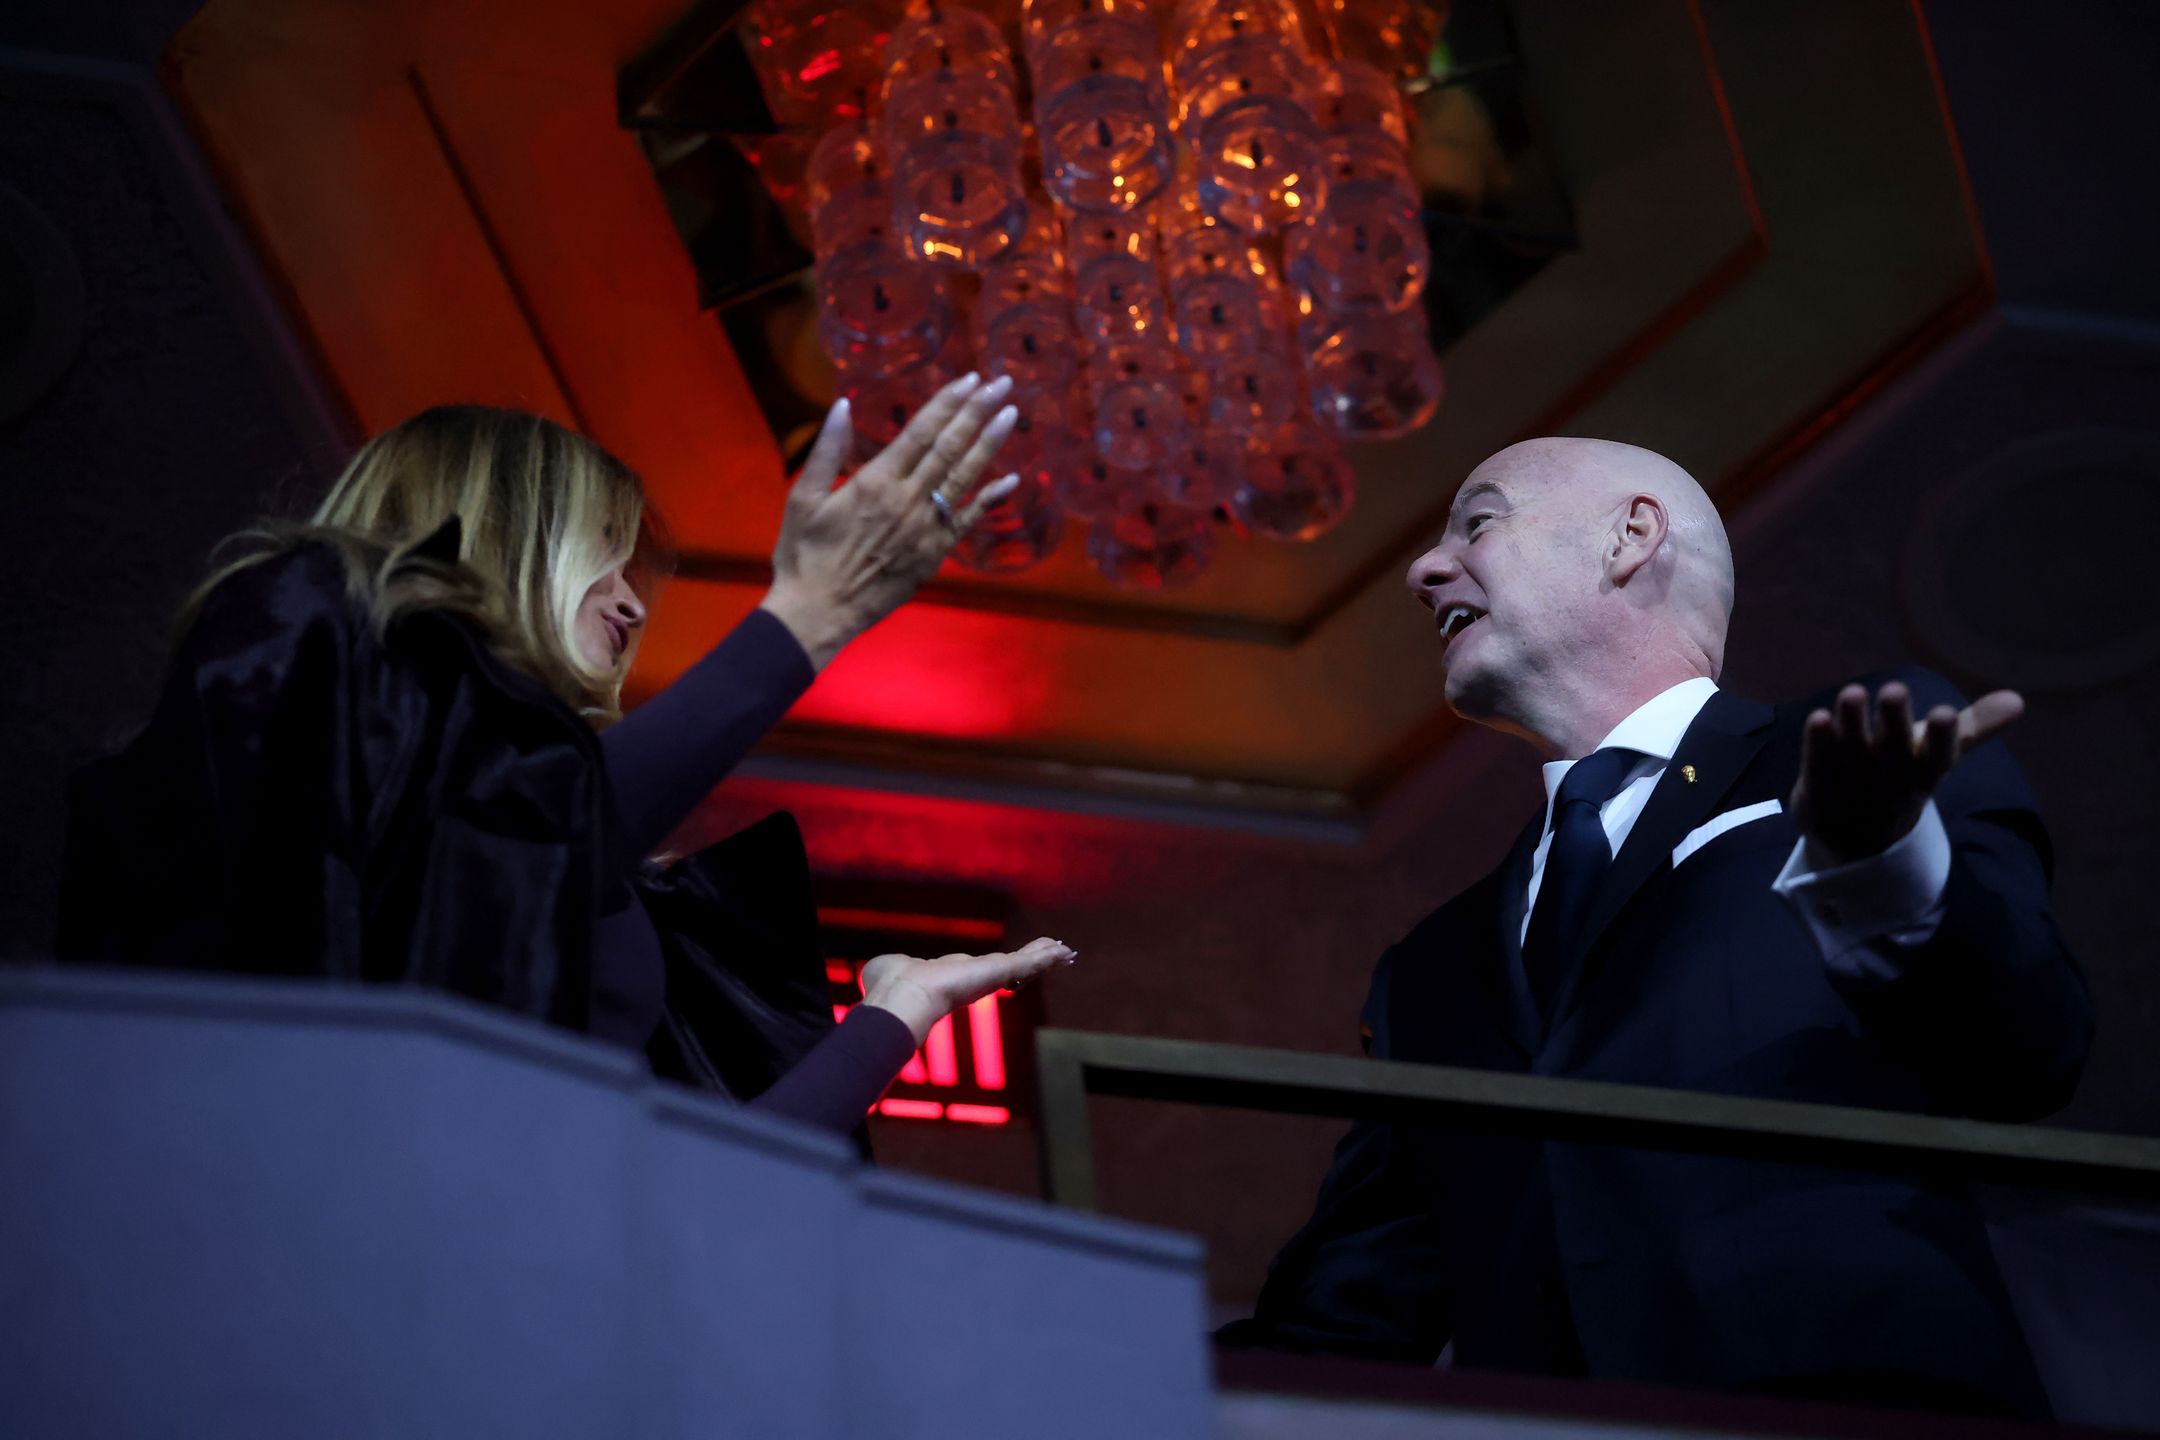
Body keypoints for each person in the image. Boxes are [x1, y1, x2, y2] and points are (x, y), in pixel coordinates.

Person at [1221, 437, 2092, 1417]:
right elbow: (1347, 1310)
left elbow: (2033, 1051)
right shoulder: (1429, 969)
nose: (1424, 570)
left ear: (1629, 539)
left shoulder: (1849, 761)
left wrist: (1883, 867)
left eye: (1478, 522)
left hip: (1845, 1408)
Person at [57, 374, 1075, 1136]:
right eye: (604, 552)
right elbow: (488, 839)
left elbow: (699, 1190)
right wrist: (810, 616)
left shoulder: (601, 880)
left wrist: (898, 1016)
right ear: (499, 524)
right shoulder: (299, 630)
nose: (635, 602)